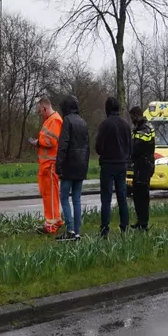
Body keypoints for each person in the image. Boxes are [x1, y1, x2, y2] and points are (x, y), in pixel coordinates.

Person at [95, 96, 132, 237]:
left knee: (106, 198)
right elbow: (130, 146)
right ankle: (124, 226)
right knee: (122, 196)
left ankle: (105, 229)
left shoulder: (105, 125)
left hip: (108, 164)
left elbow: (99, 147)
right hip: (122, 164)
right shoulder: (126, 125)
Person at [55, 95, 90, 242]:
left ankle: (69, 229)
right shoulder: (83, 122)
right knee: (77, 199)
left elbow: (63, 145)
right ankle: (77, 232)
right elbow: (87, 147)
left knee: (64, 197)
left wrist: (59, 165)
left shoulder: (67, 121)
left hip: (69, 165)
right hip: (81, 166)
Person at [29, 97, 64, 234]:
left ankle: (52, 223)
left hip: (50, 165)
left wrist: (38, 142)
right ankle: (54, 220)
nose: (40, 114)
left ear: (44, 108)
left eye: (39, 112)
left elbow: (51, 141)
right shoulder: (50, 120)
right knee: (48, 194)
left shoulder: (54, 120)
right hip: (46, 165)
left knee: (50, 195)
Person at [129, 106, 155, 231]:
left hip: (143, 166)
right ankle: (140, 221)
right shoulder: (144, 127)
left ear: (136, 115)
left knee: (142, 195)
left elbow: (136, 148)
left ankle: (143, 223)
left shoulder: (144, 129)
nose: (131, 120)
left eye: (132, 117)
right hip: (142, 165)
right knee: (137, 194)